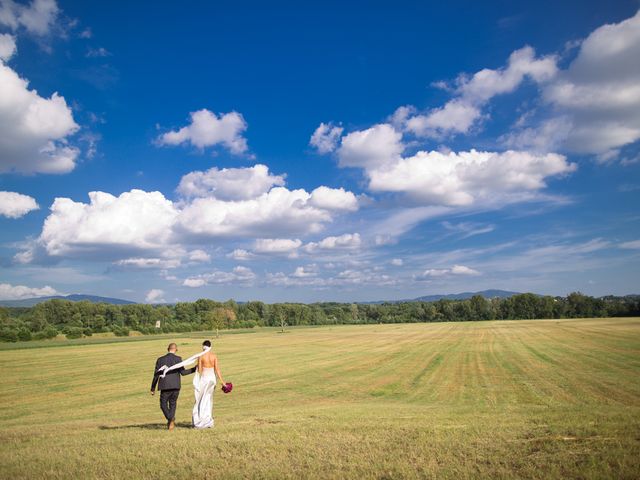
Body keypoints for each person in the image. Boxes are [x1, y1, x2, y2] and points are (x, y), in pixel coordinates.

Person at [151, 342, 197, 430]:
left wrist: (153, 388)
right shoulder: (178, 359)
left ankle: (170, 418)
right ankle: (171, 420)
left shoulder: (160, 360)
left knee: (163, 404)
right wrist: (194, 369)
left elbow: (156, 375)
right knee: (173, 404)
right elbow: (183, 373)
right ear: (176, 349)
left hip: (165, 386)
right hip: (176, 385)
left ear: (167, 349)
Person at [192, 340, 227, 429]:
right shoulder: (214, 356)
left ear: (203, 347)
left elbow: (200, 370)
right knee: (208, 398)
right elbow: (217, 369)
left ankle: (201, 419)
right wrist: (222, 382)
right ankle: (208, 419)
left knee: (201, 398)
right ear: (210, 346)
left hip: (204, 378)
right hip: (212, 379)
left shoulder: (201, 356)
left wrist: (197, 366)